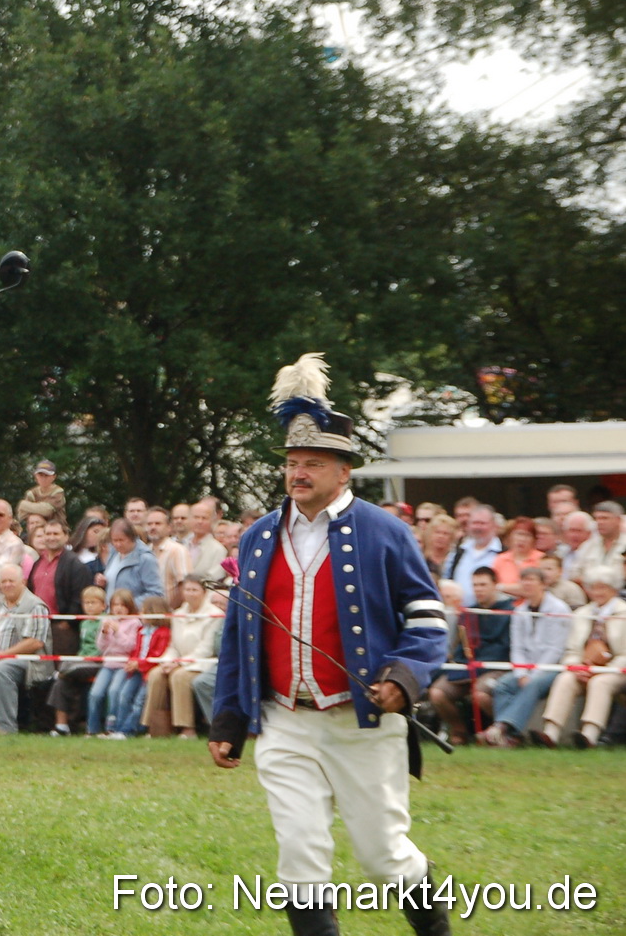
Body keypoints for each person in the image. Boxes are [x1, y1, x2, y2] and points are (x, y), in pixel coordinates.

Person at [210, 353, 449, 936]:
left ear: (345, 471)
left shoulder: (387, 532)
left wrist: (403, 679)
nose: (298, 473)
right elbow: (239, 636)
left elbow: (428, 619)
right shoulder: (258, 536)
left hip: (362, 722)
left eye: (313, 462)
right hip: (285, 720)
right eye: (292, 462)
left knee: (384, 855)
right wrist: (229, 719)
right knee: (299, 852)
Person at [534, 562, 626, 748]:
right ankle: (550, 733)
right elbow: (572, 650)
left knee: (600, 683)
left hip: (616, 670)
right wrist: (576, 667)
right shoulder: (582, 613)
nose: (597, 592)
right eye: (593, 587)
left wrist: (600, 670)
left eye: (603, 588)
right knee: (565, 679)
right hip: (584, 667)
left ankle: (589, 736)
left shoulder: (623, 612)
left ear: (614, 589)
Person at [483, 568, 571, 746]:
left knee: (533, 685)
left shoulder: (559, 608)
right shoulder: (520, 611)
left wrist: (532, 675)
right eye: (523, 580)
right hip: (525, 669)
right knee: (502, 686)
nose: (527, 584)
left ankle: (501, 728)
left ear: (543, 584)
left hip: (551, 668)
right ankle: (510, 737)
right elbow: (517, 647)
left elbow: (555, 649)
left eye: (531, 580)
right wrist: (521, 672)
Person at [426, 567, 513, 745]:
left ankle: (504, 732)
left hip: (497, 668)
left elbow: (505, 648)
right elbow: (460, 646)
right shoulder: (467, 613)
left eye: (483, 584)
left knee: (480, 693)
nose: (479, 589)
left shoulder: (509, 612)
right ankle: (459, 730)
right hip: (466, 668)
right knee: (437, 693)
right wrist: (460, 664)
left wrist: (478, 664)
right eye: (475, 585)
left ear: (495, 585)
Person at [0, 563, 53, 734]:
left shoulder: (35, 605)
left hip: (28, 663)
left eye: (11, 581)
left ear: (23, 581)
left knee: (1, 669)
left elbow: (35, 642)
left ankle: (5, 727)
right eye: (3, 581)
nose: (7, 585)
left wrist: (1, 656)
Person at [145, 575, 223, 738]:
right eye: (187, 589)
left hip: (202, 663)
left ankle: (187, 728)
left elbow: (206, 648)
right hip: (178, 662)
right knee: (156, 675)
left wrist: (180, 663)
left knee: (180, 677)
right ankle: (154, 727)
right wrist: (168, 661)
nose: (190, 593)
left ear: (204, 592)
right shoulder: (178, 614)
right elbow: (173, 645)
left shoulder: (214, 614)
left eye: (194, 590)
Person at [24, 518, 94, 659]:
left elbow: (80, 596)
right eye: (48, 534)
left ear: (65, 536)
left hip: (61, 628)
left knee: (60, 670)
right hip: (38, 625)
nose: (51, 537)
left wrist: (67, 623)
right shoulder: (38, 562)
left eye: (56, 534)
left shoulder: (75, 564)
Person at [47, 586, 109, 735]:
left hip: (98, 662)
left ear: (103, 605)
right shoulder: (84, 622)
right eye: (86, 603)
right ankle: (61, 726)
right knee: (61, 682)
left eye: (93, 603)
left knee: (71, 668)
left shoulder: (104, 621)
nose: (89, 606)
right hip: (83, 660)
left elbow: (102, 647)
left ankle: (59, 673)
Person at [111, 596, 172, 737]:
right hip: (136, 671)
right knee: (124, 695)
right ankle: (118, 728)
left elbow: (158, 655)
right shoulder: (141, 631)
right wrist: (132, 662)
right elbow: (136, 651)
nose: (140, 614)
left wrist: (140, 664)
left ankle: (129, 730)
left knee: (139, 701)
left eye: (144, 611)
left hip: (148, 672)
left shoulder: (163, 633)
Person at [87, 590, 139, 739]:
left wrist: (117, 632)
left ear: (129, 606)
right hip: (108, 663)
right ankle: (92, 728)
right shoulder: (107, 620)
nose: (118, 608)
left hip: (123, 664)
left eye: (122, 605)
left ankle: (112, 728)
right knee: (95, 693)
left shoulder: (134, 622)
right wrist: (104, 633)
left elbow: (130, 646)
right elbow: (101, 647)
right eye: (115, 605)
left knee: (114, 691)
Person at [444, 505, 502, 608]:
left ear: (493, 525)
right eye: (474, 523)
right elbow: (447, 579)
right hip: (460, 614)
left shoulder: (502, 552)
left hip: (492, 614)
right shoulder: (459, 552)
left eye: (482, 523)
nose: (478, 527)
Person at [103, 517, 164, 601]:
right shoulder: (113, 553)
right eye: (115, 541)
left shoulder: (145, 558)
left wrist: (128, 605)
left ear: (132, 538)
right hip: (111, 612)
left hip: (134, 612)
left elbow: (156, 593)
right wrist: (102, 583)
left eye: (121, 540)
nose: (118, 544)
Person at [144, 505, 190, 608]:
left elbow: (185, 585)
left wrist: (169, 611)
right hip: (148, 615)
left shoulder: (177, 550)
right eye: (149, 524)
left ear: (169, 528)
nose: (153, 527)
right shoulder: (145, 551)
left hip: (171, 615)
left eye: (158, 524)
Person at [491, 518, 543, 597]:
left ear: (534, 539)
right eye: (519, 534)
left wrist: (502, 587)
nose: (522, 539)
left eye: (527, 535)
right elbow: (492, 587)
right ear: (510, 536)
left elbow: (534, 589)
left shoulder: (541, 559)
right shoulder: (500, 559)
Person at [185, 496, 227, 584]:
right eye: (196, 517)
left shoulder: (218, 550)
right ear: (189, 519)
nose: (200, 521)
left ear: (212, 521)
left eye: (204, 518)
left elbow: (213, 579)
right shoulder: (181, 545)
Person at [17, 459, 68, 529]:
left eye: (46, 475)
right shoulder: (31, 493)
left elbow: (47, 510)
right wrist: (39, 509)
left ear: (54, 477)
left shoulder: (57, 492)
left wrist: (25, 505)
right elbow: (21, 515)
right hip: (34, 531)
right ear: (36, 476)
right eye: (40, 475)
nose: (43, 478)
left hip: (56, 529)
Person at [419, 514, 458, 581]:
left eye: (445, 533)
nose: (440, 536)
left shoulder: (456, 558)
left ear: (452, 537)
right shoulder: (422, 557)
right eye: (437, 532)